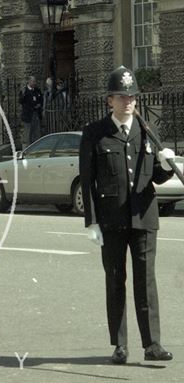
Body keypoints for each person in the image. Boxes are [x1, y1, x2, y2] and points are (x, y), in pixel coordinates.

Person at [79, 65, 174, 364]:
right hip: (112, 220)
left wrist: (166, 163)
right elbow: (87, 179)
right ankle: (120, 345)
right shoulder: (95, 134)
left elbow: (156, 177)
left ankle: (152, 343)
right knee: (115, 280)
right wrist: (91, 220)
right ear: (110, 100)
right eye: (121, 97)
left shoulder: (148, 130)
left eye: (131, 96)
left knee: (146, 281)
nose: (127, 102)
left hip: (144, 217)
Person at [19, 76, 43, 147]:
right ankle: (28, 147)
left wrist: (39, 105)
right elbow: (20, 101)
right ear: (29, 82)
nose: (35, 83)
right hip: (28, 115)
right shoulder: (24, 91)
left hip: (36, 114)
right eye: (33, 81)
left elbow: (41, 99)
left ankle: (37, 147)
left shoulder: (37, 90)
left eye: (35, 81)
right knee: (28, 133)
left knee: (37, 132)